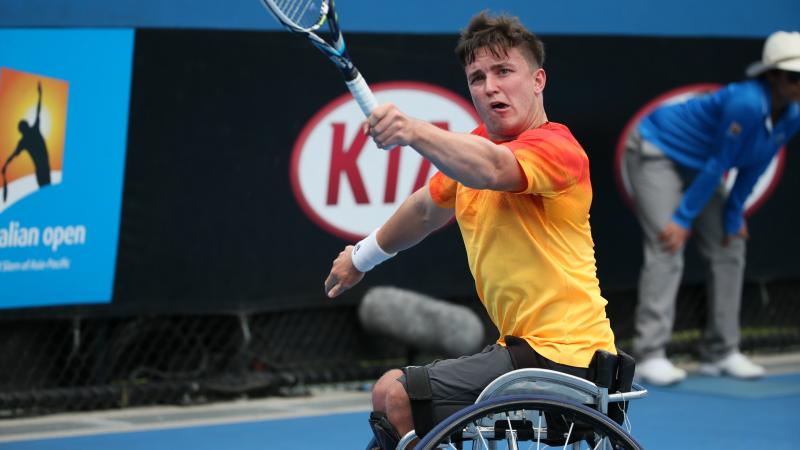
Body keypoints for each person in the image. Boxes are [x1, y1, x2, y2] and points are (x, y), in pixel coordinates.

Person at [324, 12, 623, 449]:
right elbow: (427, 209)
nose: (490, 87)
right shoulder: (475, 146)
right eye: (477, 77)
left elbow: (493, 168)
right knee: (388, 391)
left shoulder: (557, 148)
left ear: (538, 80)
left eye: (504, 71)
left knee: (398, 395)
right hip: (522, 351)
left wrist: (413, 130)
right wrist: (360, 257)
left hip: (567, 356)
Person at [626, 31, 800, 386]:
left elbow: (755, 163)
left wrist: (734, 213)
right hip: (657, 150)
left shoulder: (793, 115)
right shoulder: (747, 104)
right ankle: (650, 355)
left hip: (700, 166)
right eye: (795, 77)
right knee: (667, 244)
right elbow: (719, 163)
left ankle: (721, 351)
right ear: (773, 76)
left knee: (730, 243)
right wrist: (681, 219)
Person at [3, 81, 51, 192]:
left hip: (41, 169)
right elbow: (38, 111)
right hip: (43, 168)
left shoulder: (24, 140)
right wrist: (40, 94)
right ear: (25, 127)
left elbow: (13, 155)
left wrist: (5, 165)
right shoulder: (32, 132)